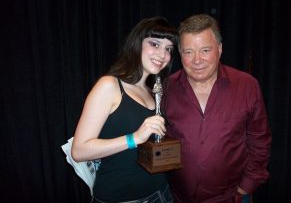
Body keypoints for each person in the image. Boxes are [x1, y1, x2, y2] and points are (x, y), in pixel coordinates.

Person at [162, 14, 272, 203]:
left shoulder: (246, 86)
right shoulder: (166, 89)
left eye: (205, 50)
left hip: (232, 197)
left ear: (219, 49)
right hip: (178, 197)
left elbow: (260, 141)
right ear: (180, 53)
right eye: (188, 52)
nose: (197, 60)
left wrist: (246, 186)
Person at [71, 17, 177, 203]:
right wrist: (134, 138)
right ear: (137, 44)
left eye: (168, 49)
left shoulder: (153, 91)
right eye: (155, 44)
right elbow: (79, 151)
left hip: (162, 193)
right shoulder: (110, 85)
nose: (163, 55)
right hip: (121, 198)